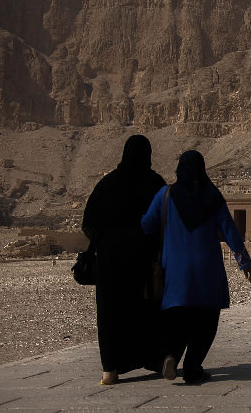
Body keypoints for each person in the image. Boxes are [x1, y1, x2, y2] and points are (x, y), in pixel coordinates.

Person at [141, 150, 251, 384]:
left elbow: (146, 225)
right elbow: (229, 230)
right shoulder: (212, 196)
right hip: (207, 269)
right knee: (207, 319)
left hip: (175, 269)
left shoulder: (166, 195)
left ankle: (170, 355)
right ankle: (193, 367)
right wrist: (244, 260)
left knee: (177, 315)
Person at [81, 135, 167, 385]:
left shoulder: (107, 184)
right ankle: (156, 360)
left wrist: (107, 239)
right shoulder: (154, 183)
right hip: (144, 255)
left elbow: (89, 223)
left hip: (111, 258)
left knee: (110, 310)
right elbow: (165, 220)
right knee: (148, 307)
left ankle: (110, 368)